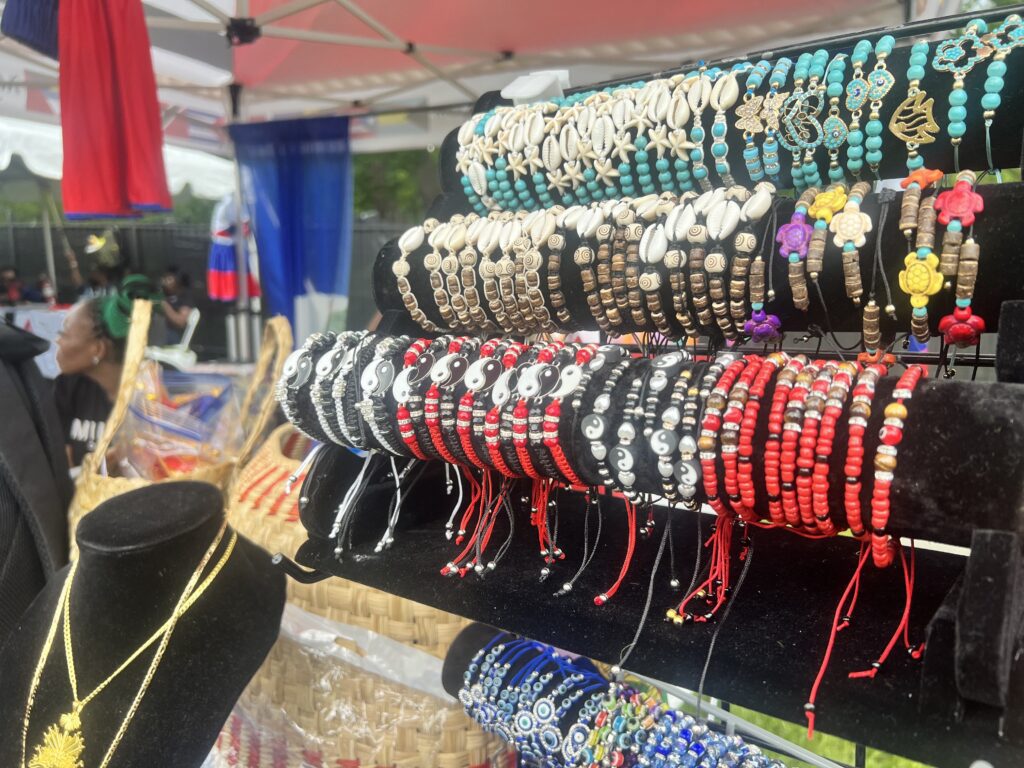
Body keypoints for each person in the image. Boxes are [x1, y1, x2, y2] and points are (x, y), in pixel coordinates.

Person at [53, 277, 153, 467]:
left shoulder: (149, 394)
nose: (58, 341)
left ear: (98, 350)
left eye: (64, 333)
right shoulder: (68, 388)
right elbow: (64, 468)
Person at [160, 265, 195, 345]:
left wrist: (164, 305)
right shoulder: (164, 295)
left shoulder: (185, 299)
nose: (165, 282)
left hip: (174, 337)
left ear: (178, 281)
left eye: (169, 279)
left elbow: (180, 322)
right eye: (164, 278)